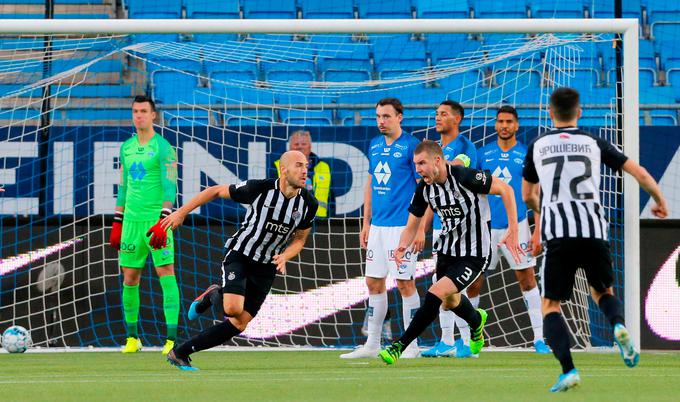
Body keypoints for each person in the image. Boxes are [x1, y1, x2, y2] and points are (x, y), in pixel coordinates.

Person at [522, 87, 669, 392]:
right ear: (579, 112)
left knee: (550, 305)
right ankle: (618, 325)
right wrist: (658, 198)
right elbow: (639, 172)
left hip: (559, 234)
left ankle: (568, 370)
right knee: (602, 291)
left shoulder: (537, 145)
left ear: (550, 112)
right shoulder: (593, 142)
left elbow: (528, 195)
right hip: (593, 231)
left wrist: (544, 210)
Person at [164, 150, 318, 371]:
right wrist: (181, 212)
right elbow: (215, 190)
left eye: (306, 166)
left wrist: (285, 255)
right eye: (298, 165)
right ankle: (216, 294)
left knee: (240, 323)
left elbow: (300, 239)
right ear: (284, 170)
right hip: (241, 255)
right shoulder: (260, 189)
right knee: (232, 309)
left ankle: (180, 353)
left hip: (267, 266)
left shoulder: (308, 204)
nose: (304, 170)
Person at [379, 140, 523, 365]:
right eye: (415, 164)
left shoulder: (466, 177)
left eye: (422, 163)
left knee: (436, 292)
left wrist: (514, 229)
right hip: (447, 250)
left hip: (475, 253)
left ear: (437, 160)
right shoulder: (424, 188)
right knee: (450, 301)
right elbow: (411, 226)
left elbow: (506, 189)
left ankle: (399, 345)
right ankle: (476, 321)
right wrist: (401, 246)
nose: (417, 169)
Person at [340, 98, 424, 359]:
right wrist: (366, 222)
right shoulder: (375, 145)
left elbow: (425, 188)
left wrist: (420, 228)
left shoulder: (412, 146)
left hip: (403, 228)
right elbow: (370, 184)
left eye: (386, 116)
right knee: (373, 283)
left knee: (404, 283)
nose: (381, 121)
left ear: (400, 117)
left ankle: (412, 346)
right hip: (377, 226)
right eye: (378, 116)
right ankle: (372, 345)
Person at [475, 106, 550, 354]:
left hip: (516, 226)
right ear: (495, 125)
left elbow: (535, 195)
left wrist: (537, 231)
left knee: (527, 279)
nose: (504, 125)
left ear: (516, 125)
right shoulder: (482, 154)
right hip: (486, 227)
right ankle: (467, 340)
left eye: (509, 122)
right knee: (474, 281)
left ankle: (539, 338)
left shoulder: (527, 154)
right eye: (500, 121)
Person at [109, 95, 179, 355]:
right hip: (130, 223)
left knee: (166, 272)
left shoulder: (164, 147)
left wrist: (164, 219)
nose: (138, 115)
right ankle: (132, 338)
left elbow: (170, 185)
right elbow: (124, 187)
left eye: (143, 111)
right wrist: (117, 222)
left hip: (156, 221)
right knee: (130, 278)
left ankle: (171, 339)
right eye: (135, 111)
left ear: (153, 116)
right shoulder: (126, 147)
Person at [420, 100, 480, 358]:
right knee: (440, 284)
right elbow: (434, 193)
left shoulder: (465, 148)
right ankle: (446, 341)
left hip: (465, 231)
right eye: (436, 113)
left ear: (457, 119)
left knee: (456, 288)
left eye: (443, 114)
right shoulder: (436, 149)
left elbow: (459, 174)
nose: (438, 117)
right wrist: (423, 227)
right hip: (442, 229)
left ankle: (468, 342)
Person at [274, 130, 332, 217]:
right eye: (296, 144)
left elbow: (331, 197)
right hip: (286, 219)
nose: (300, 147)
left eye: (303, 144)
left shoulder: (324, 167)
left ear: (310, 146)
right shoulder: (278, 165)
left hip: (319, 221)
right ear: (290, 147)